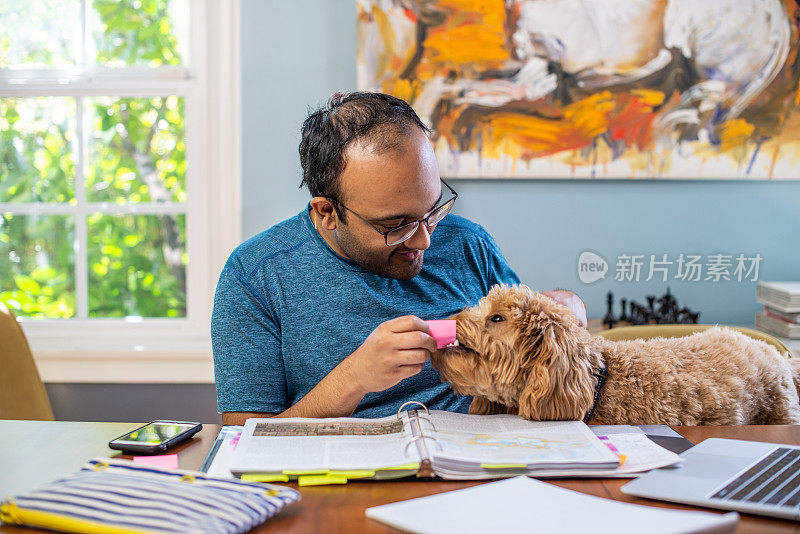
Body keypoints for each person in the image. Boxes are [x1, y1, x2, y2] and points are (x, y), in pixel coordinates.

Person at [211, 92, 587, 425]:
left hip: (482, 464)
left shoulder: (468, 243)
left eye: (432, 210)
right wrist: (354, 378)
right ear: (327, 211)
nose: (423, 240)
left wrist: (567, 306)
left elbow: (530, 347)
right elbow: (245, 438)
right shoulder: (254, 275)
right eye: (396, 224)